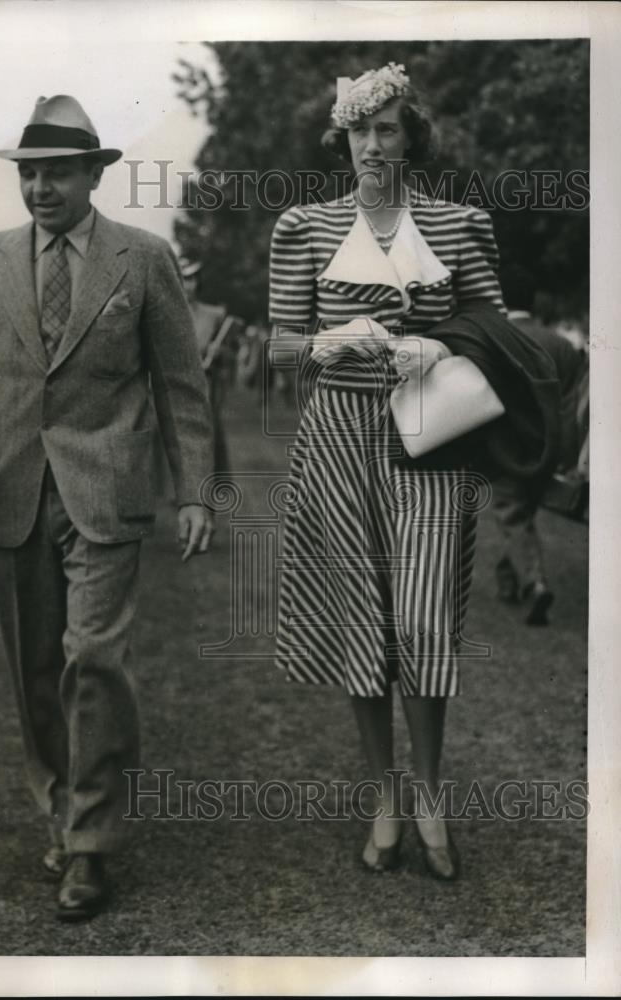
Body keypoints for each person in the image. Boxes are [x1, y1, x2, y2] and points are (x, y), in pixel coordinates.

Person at [0, 94, 214, 921]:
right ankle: (59, 807)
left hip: (106, 490)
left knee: (95, 659)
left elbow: (180, 385)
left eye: (58, 174)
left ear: (93, 175)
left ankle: (90, 844)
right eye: (30, 175)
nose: (42, 189)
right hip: (9, 489)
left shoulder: (143, 259)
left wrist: (196, 491)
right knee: (35, 670)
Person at [269, 63, 509, 881]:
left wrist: (442, 342)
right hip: (337, 436)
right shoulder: (302, 227)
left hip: (430, 435)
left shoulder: (459, 224)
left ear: (411, 139)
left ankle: (432, 794)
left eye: (389, 130)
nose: (374, 145)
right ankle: (384, 798)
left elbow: (496, 330)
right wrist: (326, 343)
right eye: (360, 131)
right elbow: (278, 344)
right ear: (343, 139)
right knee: (363, 620)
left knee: (423, 616)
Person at [493, 266, 588, 624]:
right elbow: (573, 405)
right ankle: (507, 583)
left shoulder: (497, 339)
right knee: (520, 513)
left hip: (508, 445)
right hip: (552, 446)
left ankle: (535, 584)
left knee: (511, 513)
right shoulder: (563, 346)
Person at [180, 258, 240, 473]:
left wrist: (219, 352)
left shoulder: (214, 315)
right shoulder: (163, 314)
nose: (191, 284)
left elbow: (231, 354)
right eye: (186, 278)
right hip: (173, 391)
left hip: (206, 390)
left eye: (194, 279)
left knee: (209, 448)